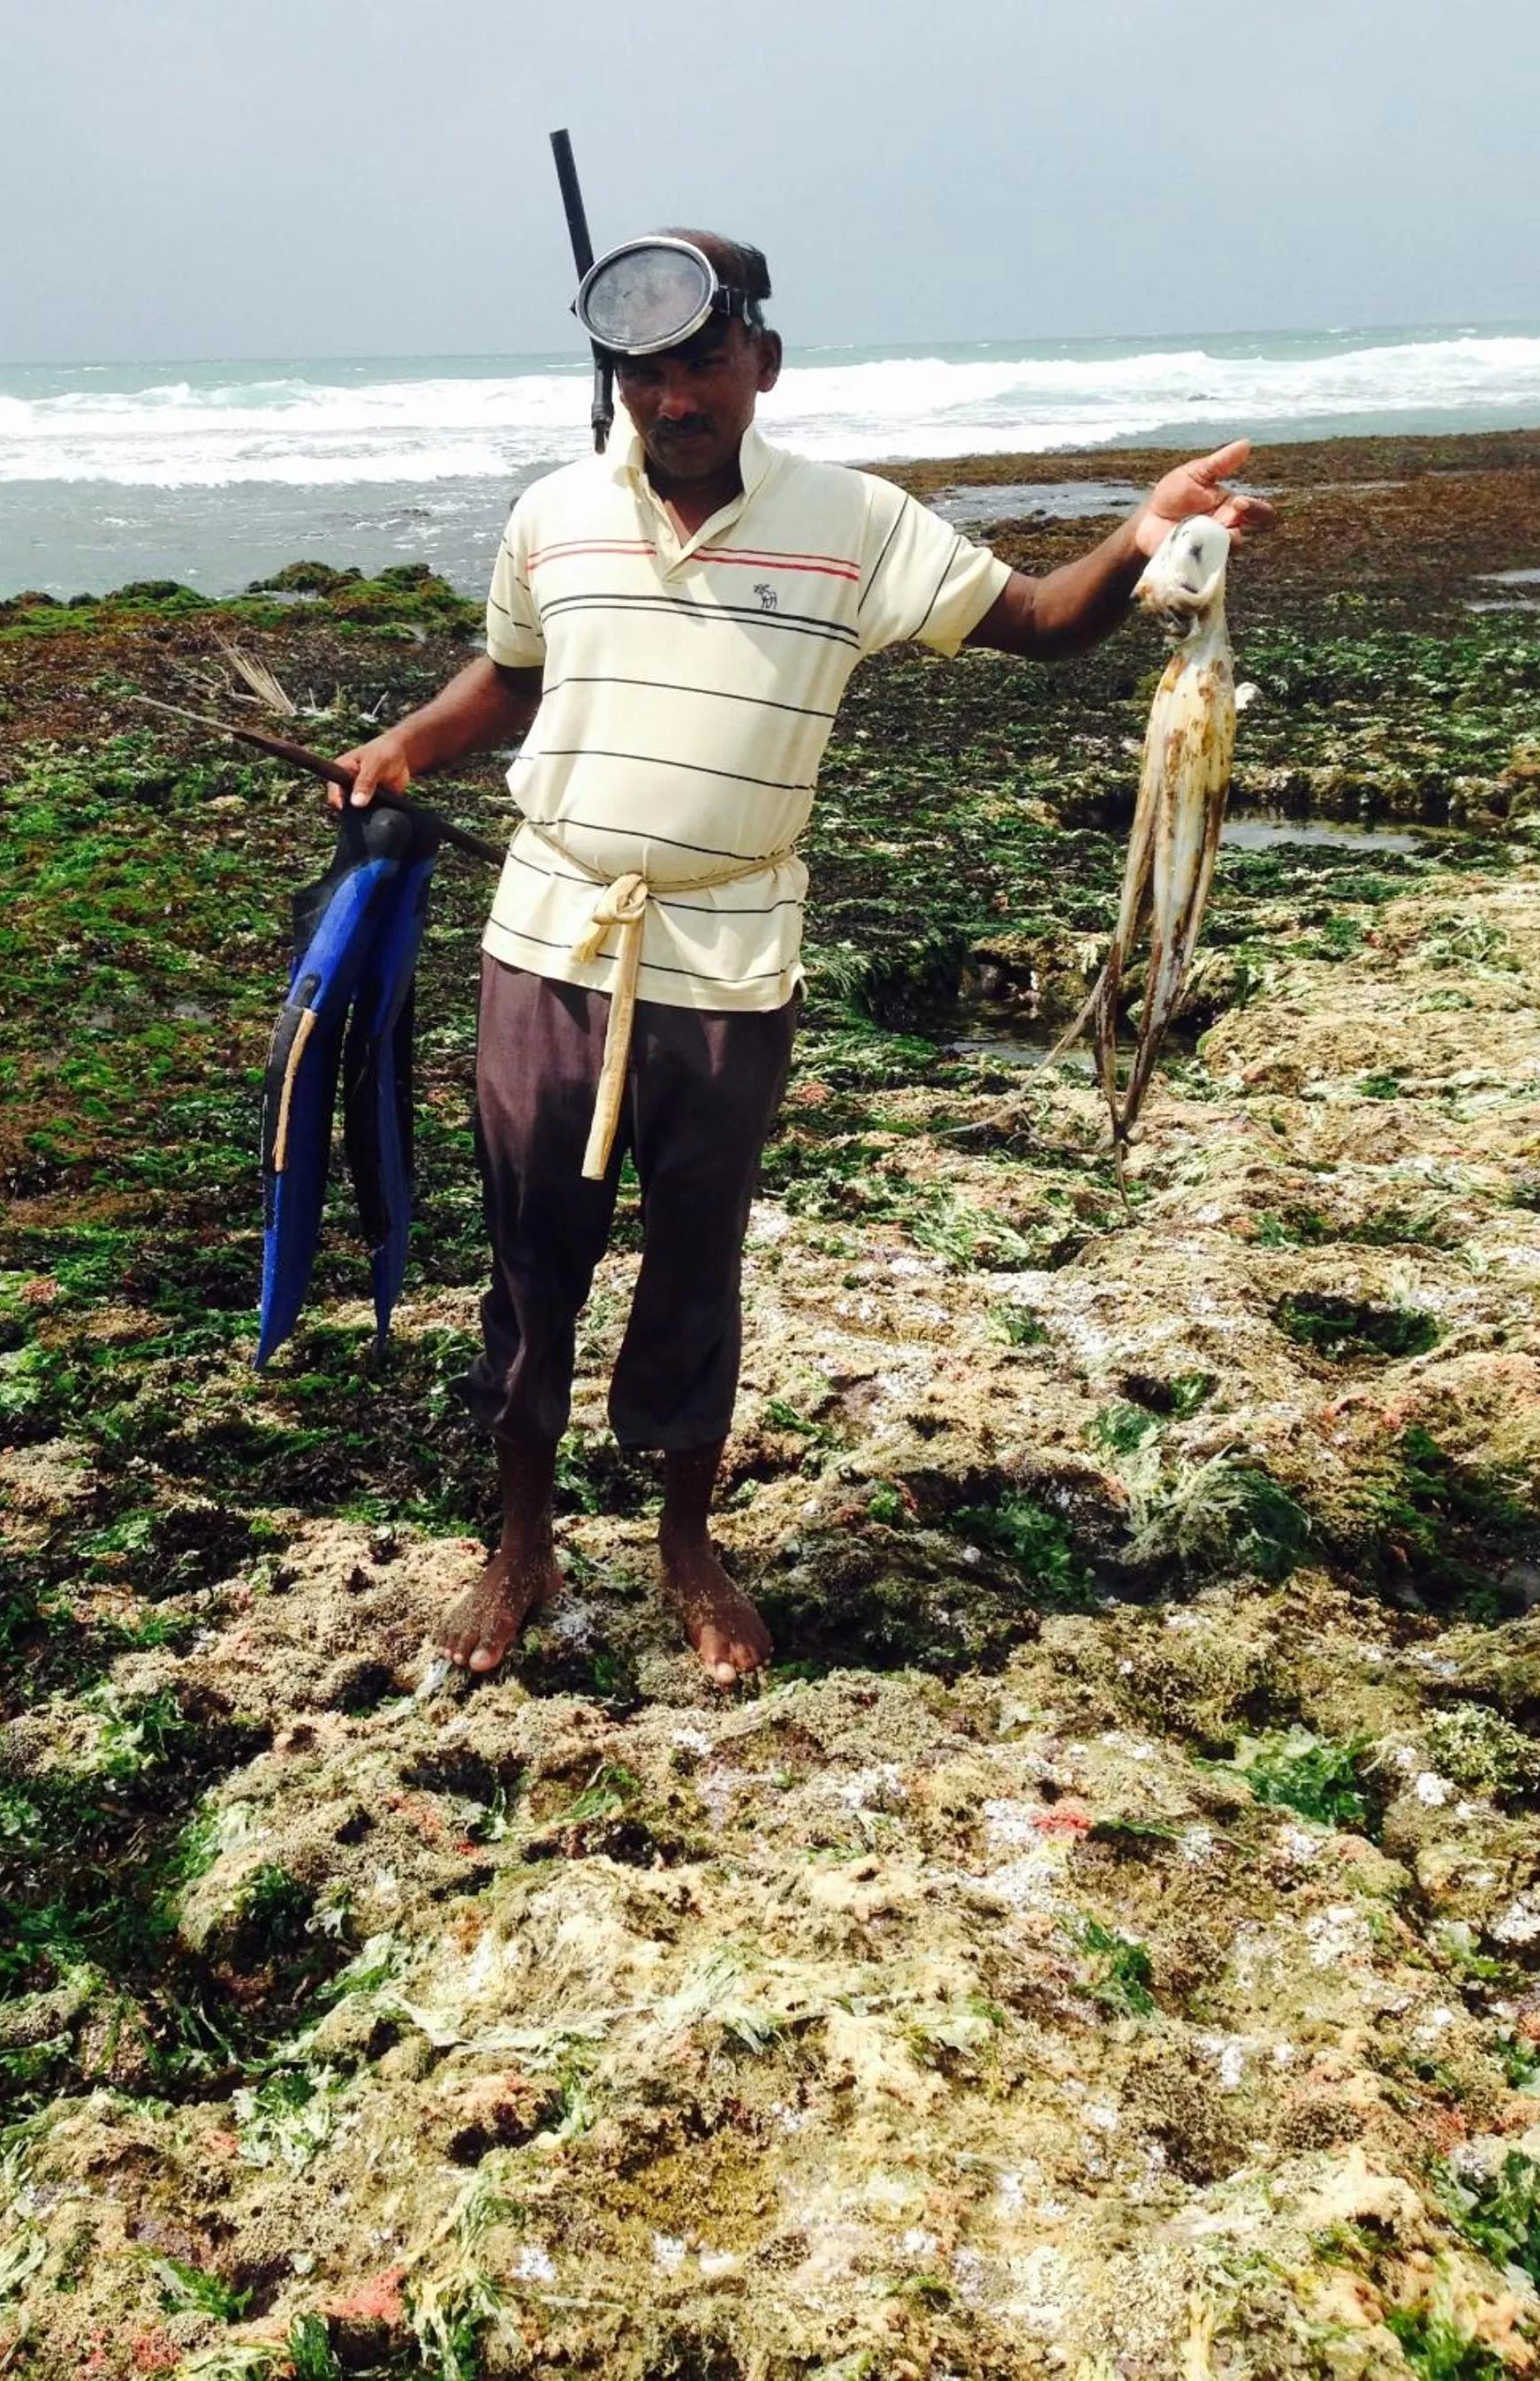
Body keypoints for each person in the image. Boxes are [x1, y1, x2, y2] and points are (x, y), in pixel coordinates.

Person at [332, 230, 1271, 1688]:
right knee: (530, 1254)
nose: (675, 394)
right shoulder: (553, 512)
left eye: (703, 361)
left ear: (762, 361)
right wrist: (410, 741)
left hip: (728, 954)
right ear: (616, 379)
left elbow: (1033, 622)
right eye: (643, 369)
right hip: (546, 932)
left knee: (695, 1260)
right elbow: (513, 676)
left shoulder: (857, 524)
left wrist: (1142, 541)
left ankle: (689, 1540)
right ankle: (518, 1541)